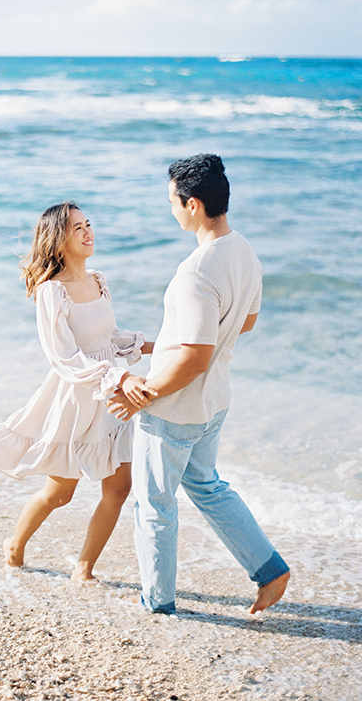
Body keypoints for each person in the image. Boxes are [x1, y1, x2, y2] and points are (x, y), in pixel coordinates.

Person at [107, 153, 290, 615]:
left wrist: (142, 395)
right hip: (214, 401)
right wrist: (158, 345)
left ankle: (158, 602)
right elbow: (243, 324)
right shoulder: (244, 251)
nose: (170, 209)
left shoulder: (197, 270)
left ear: (192, 205)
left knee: (154, 506)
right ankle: (270, 569)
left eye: (172, 201)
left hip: (175, 408)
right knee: (207, 486)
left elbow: (194, 357)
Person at [0, 201, 155, 582]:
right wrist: (119, 379)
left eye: (88, 224)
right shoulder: (52, 292)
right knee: (60, 493)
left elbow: (109, 339)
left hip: (111, 396)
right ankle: (15, 544)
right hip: (77, 399)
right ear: (58, 239)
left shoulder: (99, 280)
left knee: (119, 488)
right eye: (77, 228)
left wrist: (159, 344)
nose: (88, 233)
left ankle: (83, 569)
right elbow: (65, 358)